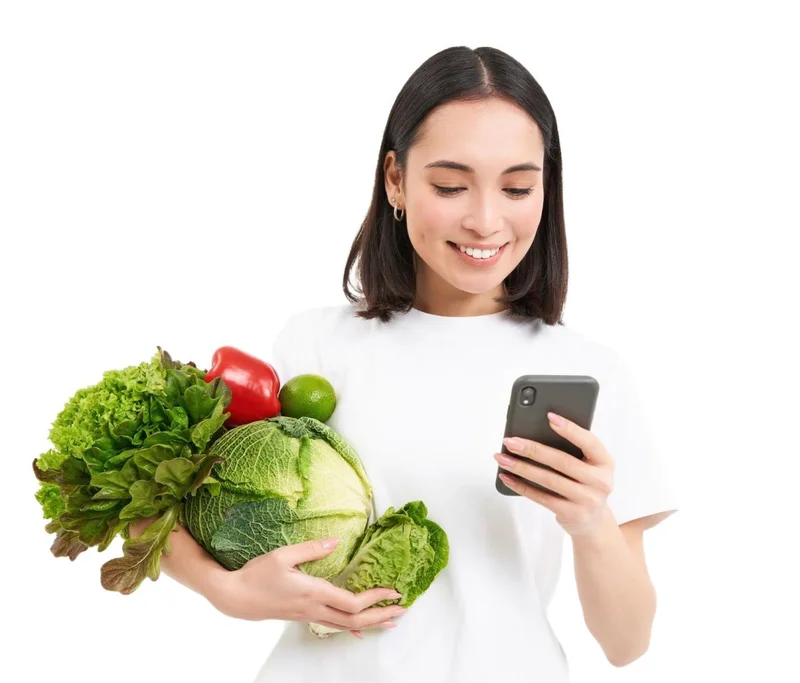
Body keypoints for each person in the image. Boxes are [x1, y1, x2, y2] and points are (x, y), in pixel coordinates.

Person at [133, 45, 678, 682]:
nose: (485, 220)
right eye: (450, 185)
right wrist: (227, 591)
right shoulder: (313, 346)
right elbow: (158, 502)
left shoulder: (590, 370)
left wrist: (589, 521)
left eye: (518, 187)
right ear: (395, 178)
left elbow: (627, 642)